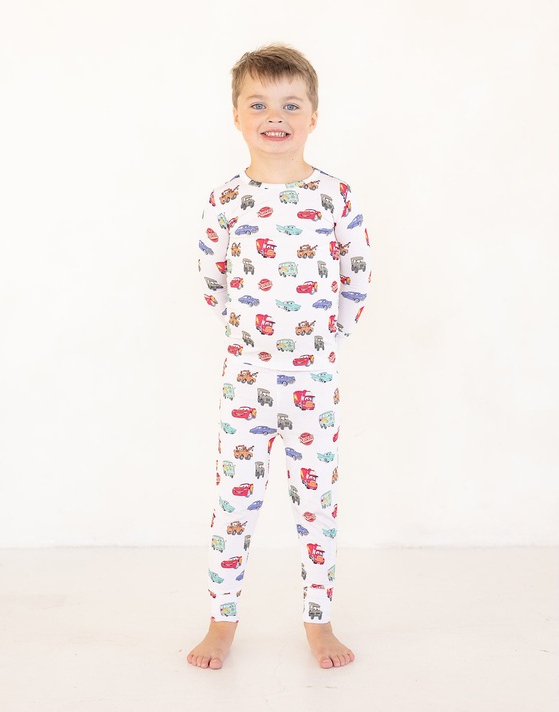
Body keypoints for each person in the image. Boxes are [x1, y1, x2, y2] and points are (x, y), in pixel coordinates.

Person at [187, 44, 372, 670]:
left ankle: (319, 621)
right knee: (234, 502)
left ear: (313, 117)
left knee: (317, 503)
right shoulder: (226, 200)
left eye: (291, 105)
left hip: (313, 378)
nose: (275, 116)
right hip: (246, 378)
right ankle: (221, 621)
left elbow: (356, 274)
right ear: (237, 116)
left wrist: (326, 338)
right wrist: (249, 338)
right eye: (259, 104)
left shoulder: (334, 196)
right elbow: (213, 278)